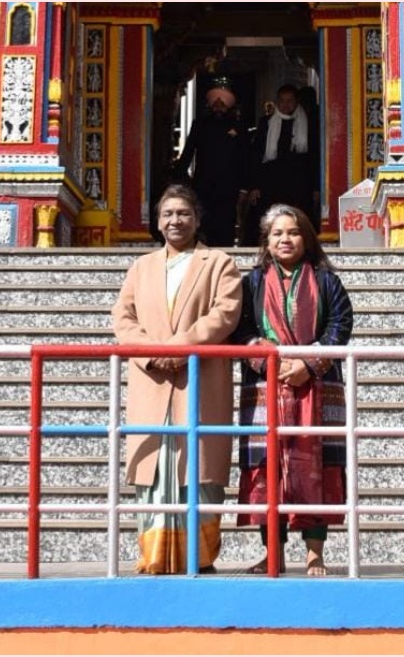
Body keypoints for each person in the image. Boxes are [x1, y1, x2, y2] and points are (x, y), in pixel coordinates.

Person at [111, 184, 243, 574]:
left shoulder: (219, 263)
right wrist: (153, 352)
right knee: (154, 468)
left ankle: (199, 556)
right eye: (167, 214)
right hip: (152, 381)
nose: (175, 221)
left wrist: (178, 348)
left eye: (183, 213)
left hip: (198, 378)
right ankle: (153, 555)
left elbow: (224, 314)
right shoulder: (142, 267)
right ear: (157, 221)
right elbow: (123, 317)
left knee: (198, 468)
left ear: (198, 219)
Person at [231, 204, 354, 576]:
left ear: (306, 239)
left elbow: (341, 323)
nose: (286, 240)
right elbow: (240, 328)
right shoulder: (251, 282)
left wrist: (308, 365)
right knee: (267, 469)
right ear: (266, 243)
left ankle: (315, 552)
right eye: (277, 234)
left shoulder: (326, 280)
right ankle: (274, 552)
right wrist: (267, 360)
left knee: (318, 465)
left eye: (293, 232)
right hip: (265, 385)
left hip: (316, 384)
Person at [172, 77, 250, 248]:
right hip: (203, 183)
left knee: (226, 225)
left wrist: (245, 186)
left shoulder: (238, 126)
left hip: (230, 185)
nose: (219, 106)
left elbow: (245, 158)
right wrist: (180, 177)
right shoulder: (200, 125)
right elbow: (188, 152)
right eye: (215, 102)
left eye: (223, 103)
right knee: (204, 223)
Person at [247, 84, 319, 247]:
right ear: (277, 102)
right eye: (282, 101)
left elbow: (314, 156)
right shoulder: (266, 123)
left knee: (299, 220)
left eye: (290, 101)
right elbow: (257, 155)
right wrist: (254, 185)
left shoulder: (308, 122)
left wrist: (316, 187)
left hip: (300, 182)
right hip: (271, 182)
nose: (286, 105)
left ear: (296, 102)